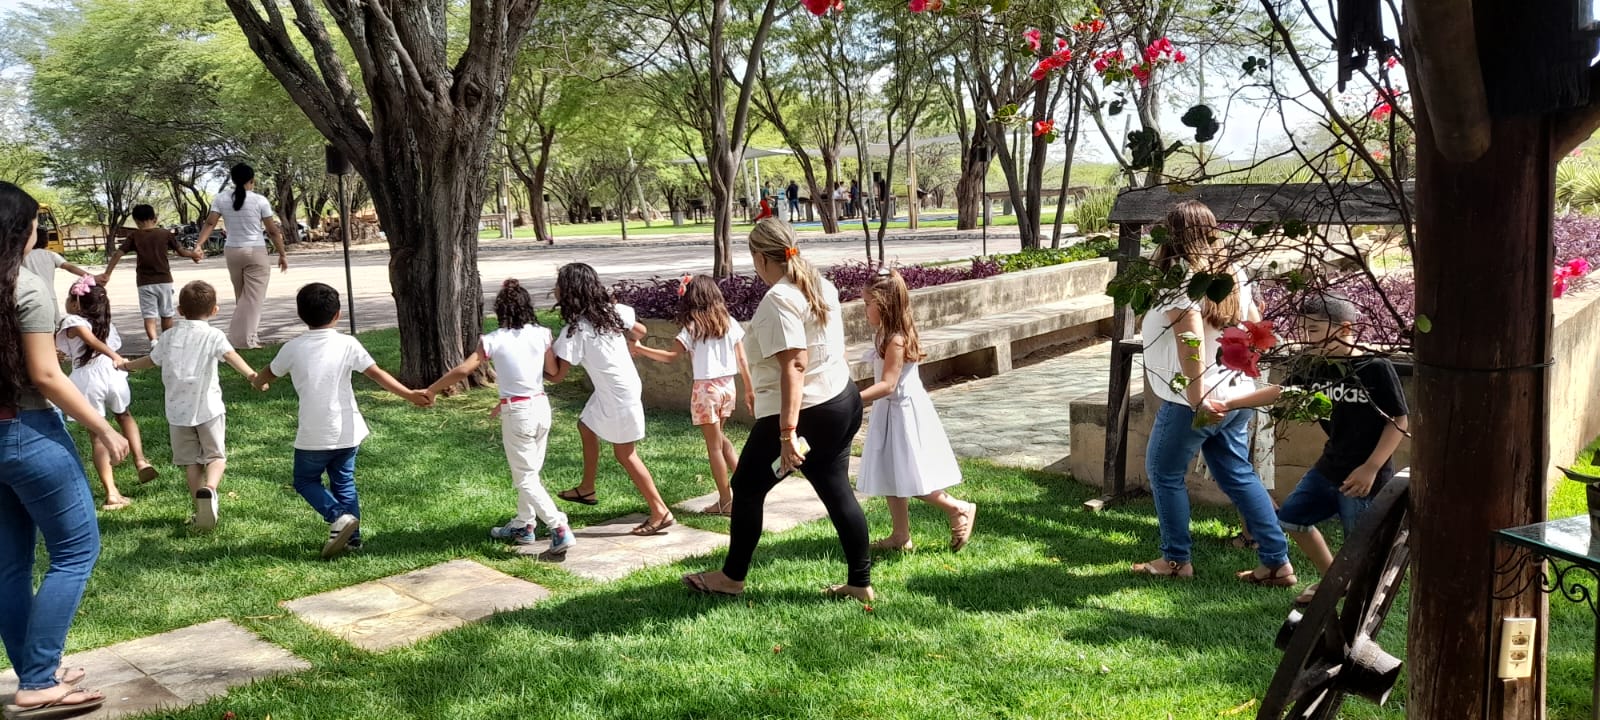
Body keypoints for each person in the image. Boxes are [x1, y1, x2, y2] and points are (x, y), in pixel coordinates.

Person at [681, 218, 873, 602]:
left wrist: (787, 434)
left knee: (746, 487)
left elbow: (795, 365)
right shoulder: (820, 284)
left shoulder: (780, 299)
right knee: (834, 487)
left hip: (809, 412)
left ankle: (731, 578)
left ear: (760, 257)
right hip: (840, 400)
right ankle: (859, 583)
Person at [0, 181, 127, 717]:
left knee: (10, 565)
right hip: (27, 433)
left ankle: (37, 671)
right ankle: (38, 681)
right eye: (36, 223)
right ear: (21, 229)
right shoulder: (24, 287)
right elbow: (47, 375)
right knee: (76, 552)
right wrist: (104, 429)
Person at [1203, 294, 1409, 605]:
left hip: (1364, 475)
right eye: (1303, 330)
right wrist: (1229, 404)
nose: (1306, 338)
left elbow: (1399, 419)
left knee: (1359, 543)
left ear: (1344, 328)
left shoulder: (1375, 367)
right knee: (1292, 517)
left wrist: (1371, 467)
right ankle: (1333, 581)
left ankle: (1358, 600)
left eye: (1313, 330)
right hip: (1330, 465)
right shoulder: (1315, 364)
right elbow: (1283, 391)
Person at [1131, 200, 1295, 586]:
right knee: (1238, 473)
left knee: (1163, 473)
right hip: (1234, 396)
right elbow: (1257, 328)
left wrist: (1197, 396)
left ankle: (1175, 560)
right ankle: (1277, 562)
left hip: (1193, 400)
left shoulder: (1181, 278)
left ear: (1171, 233)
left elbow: (1189, 338)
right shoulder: (1232, 271)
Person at [251, 283, 429, 558]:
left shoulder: (292, 348)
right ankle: (352, 540)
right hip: (348, 432)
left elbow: (267, 375)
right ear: (338, 315)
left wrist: (258, 382)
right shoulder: (348, 344)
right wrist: (409, 394)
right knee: (344, 483)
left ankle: (337, 516)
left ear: (301, 314)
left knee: (305, 481)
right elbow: (377, 374)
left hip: (314, 434)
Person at [425, 278, 576, 557]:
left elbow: (464, 369)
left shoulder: (493, 340)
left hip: (517, 412)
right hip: (541, 406)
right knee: (530, 471)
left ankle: (558, 526)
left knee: (525, 477)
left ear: (500, 311)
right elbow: (553, 372)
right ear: (527, 307)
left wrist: (432, 389)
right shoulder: (543, 334)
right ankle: (524, 524)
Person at [547, 263, 674, 536]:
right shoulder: (612, 312)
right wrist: (632, 342)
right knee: (585, 425)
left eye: (558, 284)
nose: (554, 289)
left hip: (616, 394)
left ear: (569, 291)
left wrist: (536, 361)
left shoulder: (575, 330)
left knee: (625, 454)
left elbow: (556, 376)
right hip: (619, 388)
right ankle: (587, 489)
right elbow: (640, 331)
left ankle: (660, 511)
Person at [856, 269, 977, 552]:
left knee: (910, 476)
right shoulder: (885, 334)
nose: (864, 310)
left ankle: (958, 508)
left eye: (868, 303)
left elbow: (888, 384)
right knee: (889, 471)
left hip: (903, 414)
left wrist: (853, 399)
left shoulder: (896, 339)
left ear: (884, 304)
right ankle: (901, 535)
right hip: (888, 411)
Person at [121, 281, 258, 530]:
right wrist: (251, 375)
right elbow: (231, 356)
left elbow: (151, 360)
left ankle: (199, 509)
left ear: (180, 311)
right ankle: (210, 489)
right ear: (214, 310)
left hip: (177, 413)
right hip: (208, 409)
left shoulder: (168, 336)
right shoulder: (213, 336)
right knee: (216, 456)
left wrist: (127, 365)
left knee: (191, 463)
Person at [631, 274, 755, 516]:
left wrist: (640, 349)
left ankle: (726, 501)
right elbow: (742, 359)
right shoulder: (729, 322)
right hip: (728, 386)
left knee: (714, 447)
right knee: (721, 439)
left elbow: (670, 356)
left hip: (706, 390)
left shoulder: (692, 327)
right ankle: (748, 486)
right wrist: (749, 389)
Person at [57, 276, 157, 509]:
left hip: (89, 380)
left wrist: (114, 356)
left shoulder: (72, 320)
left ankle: (112, 492)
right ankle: (141, 461)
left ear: (76, 303)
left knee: (97, 433)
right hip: (113, 375)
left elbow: (90, 341)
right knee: (125, 415)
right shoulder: (107, 323)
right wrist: (117, 359)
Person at [198, 163, 288, 349]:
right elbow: (272, 231)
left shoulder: (221, 198)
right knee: (253, 298)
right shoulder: (260, 201)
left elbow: (210, 223)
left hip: (232, 251)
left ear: (233, 179)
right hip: (255, 251)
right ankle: (243, 340)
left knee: (242, 297)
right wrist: (282, 254)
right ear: (252, 180)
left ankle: (249, 336)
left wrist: (199, 244)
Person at [99, 204, 202, 341]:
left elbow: (118, 254)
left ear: (136, 220)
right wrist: (194, 255)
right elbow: (182, 252)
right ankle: (166, 341)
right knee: (167, 314)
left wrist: (107, 274)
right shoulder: (165, 234)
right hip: (164, 280)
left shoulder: (134, 236)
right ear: (154, 218)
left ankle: (154, 342)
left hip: (144, 282)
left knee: (149, 316)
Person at [21, 233, 92, 315]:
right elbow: (70, 267)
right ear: (46, 242)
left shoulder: (22, 256)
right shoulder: (51, 255)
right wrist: (92, 276)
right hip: (50, 296)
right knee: (55, 321)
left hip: (29, 297)